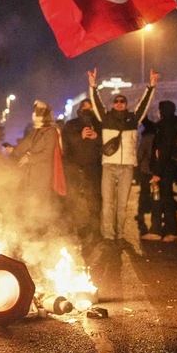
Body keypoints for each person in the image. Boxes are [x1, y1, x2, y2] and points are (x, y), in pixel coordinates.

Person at [88, 68, 157, 254]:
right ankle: (108, 237)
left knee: (122, 205)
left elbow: (143, 105)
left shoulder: (133, 119)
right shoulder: (105, 118)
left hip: (127, 166)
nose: (119, 103)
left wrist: (151, 87)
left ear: (126, 105)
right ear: (113, 104)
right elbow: (96, 103)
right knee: (108, 203)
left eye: (122, 101)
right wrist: (93, 86)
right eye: (116, 101)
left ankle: (119, 236)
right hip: (109, 165)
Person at [12, 101, 65, 223]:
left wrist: (29, 158)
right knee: (30, 200)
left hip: (43, 174)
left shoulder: (51, 131)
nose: (34, 115)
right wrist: (13, 149)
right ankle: (31, 227)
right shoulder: (36, 130)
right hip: (32, 172)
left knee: (41, 203)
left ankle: (41, 228)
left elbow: (48, 153)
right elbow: (26, 143)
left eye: (36, 112)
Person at [61, 99, 102, 235]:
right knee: (72, 199)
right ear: (80, 110)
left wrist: (96, 137)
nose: (88, 111)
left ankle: (94, 230)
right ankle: (70, 229)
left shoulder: (99, 124)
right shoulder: (71, 124)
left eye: (90, 108)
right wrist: (80, 136)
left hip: (93, 169)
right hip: (74, 168)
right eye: (85, 108)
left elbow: (106, 145)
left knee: (93, 200)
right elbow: (65, 144)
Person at [151, 100, 177, 242]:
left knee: (166, 199)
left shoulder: (166, 126)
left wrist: (157, 172)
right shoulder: (173, 123)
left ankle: (171, 231)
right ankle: (162, 229)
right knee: (164, 198)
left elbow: (163, 150)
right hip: (168, 167)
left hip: (165, 168)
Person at [136, 117, 158, 239]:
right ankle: (155, 215)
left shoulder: (146, 138)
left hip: (145, 170)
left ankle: (141, 214)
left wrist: (137, 164)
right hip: (156, 171)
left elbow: (140, 154)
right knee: (156, 194)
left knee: (144, 193)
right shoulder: (157, 137)